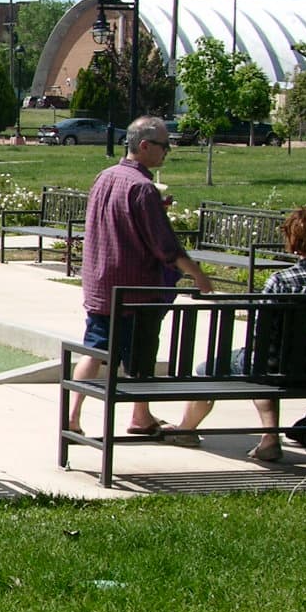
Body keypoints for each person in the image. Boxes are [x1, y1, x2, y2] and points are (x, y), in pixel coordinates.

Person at [65, 117, 215, 436]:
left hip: (102, 287)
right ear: (144, 146)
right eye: (163, 145)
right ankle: (139, 415)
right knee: (142, 355)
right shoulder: (142, 187)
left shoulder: (105, 177)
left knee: (95, 349)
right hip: (136, 292)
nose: (167, 152)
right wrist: (198, 276)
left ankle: (74, 416)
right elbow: (166, 247)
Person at [167, 205, 306, 462]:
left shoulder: (281, 282)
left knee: (212, 368)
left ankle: (187, 430)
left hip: (276, 365)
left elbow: (262, 333)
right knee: (266, 363)